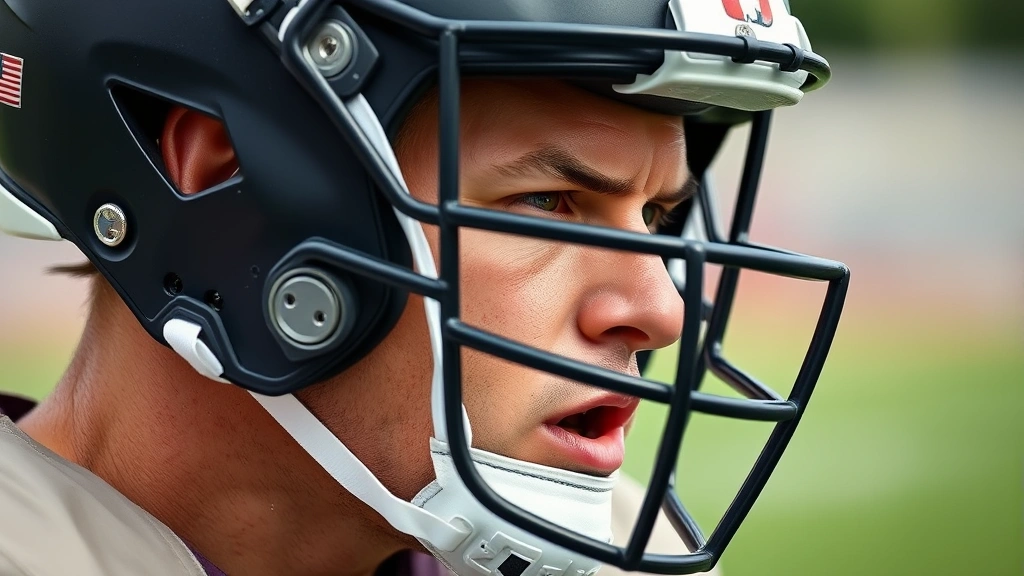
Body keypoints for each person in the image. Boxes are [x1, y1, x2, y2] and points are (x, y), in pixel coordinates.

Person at [0, 0, 846, 574]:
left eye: (657, 215)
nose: (660, 312)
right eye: (548, 204)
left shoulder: (615, 544)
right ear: (225, 179)